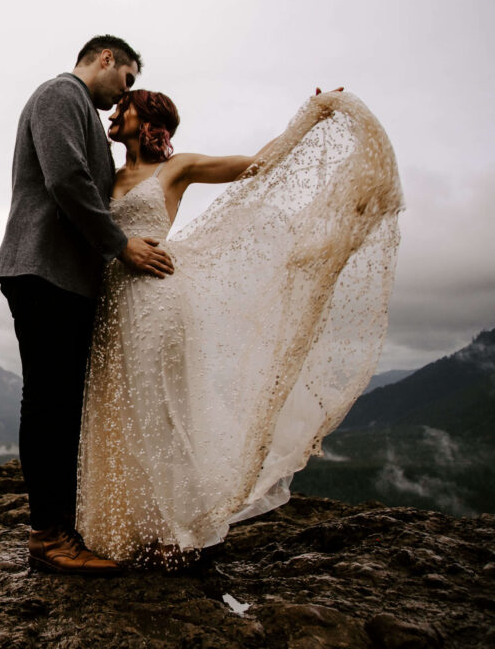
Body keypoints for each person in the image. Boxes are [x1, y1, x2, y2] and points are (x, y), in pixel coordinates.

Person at [75, 87, 403, 568]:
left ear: (145, 117)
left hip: (157, 300)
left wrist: (310, 118)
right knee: (117, 409)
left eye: (122, 107)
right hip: (113, 304)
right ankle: (129, 527)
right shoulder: (105, 173)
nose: (113, 112)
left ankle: (176, 530)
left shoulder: (177, 167)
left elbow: (255, 165)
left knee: (161, 408)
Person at [0, 35, 173, 575]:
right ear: (107, 59)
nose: (126, 93)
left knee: (63, 405)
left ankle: (64, 529)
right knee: (49, 404)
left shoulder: (84, 114)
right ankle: (48, 538)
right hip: (43, 269)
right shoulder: (60, 95)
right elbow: (65, 178)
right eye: (128, 79)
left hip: (63, 277)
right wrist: (120, 246)